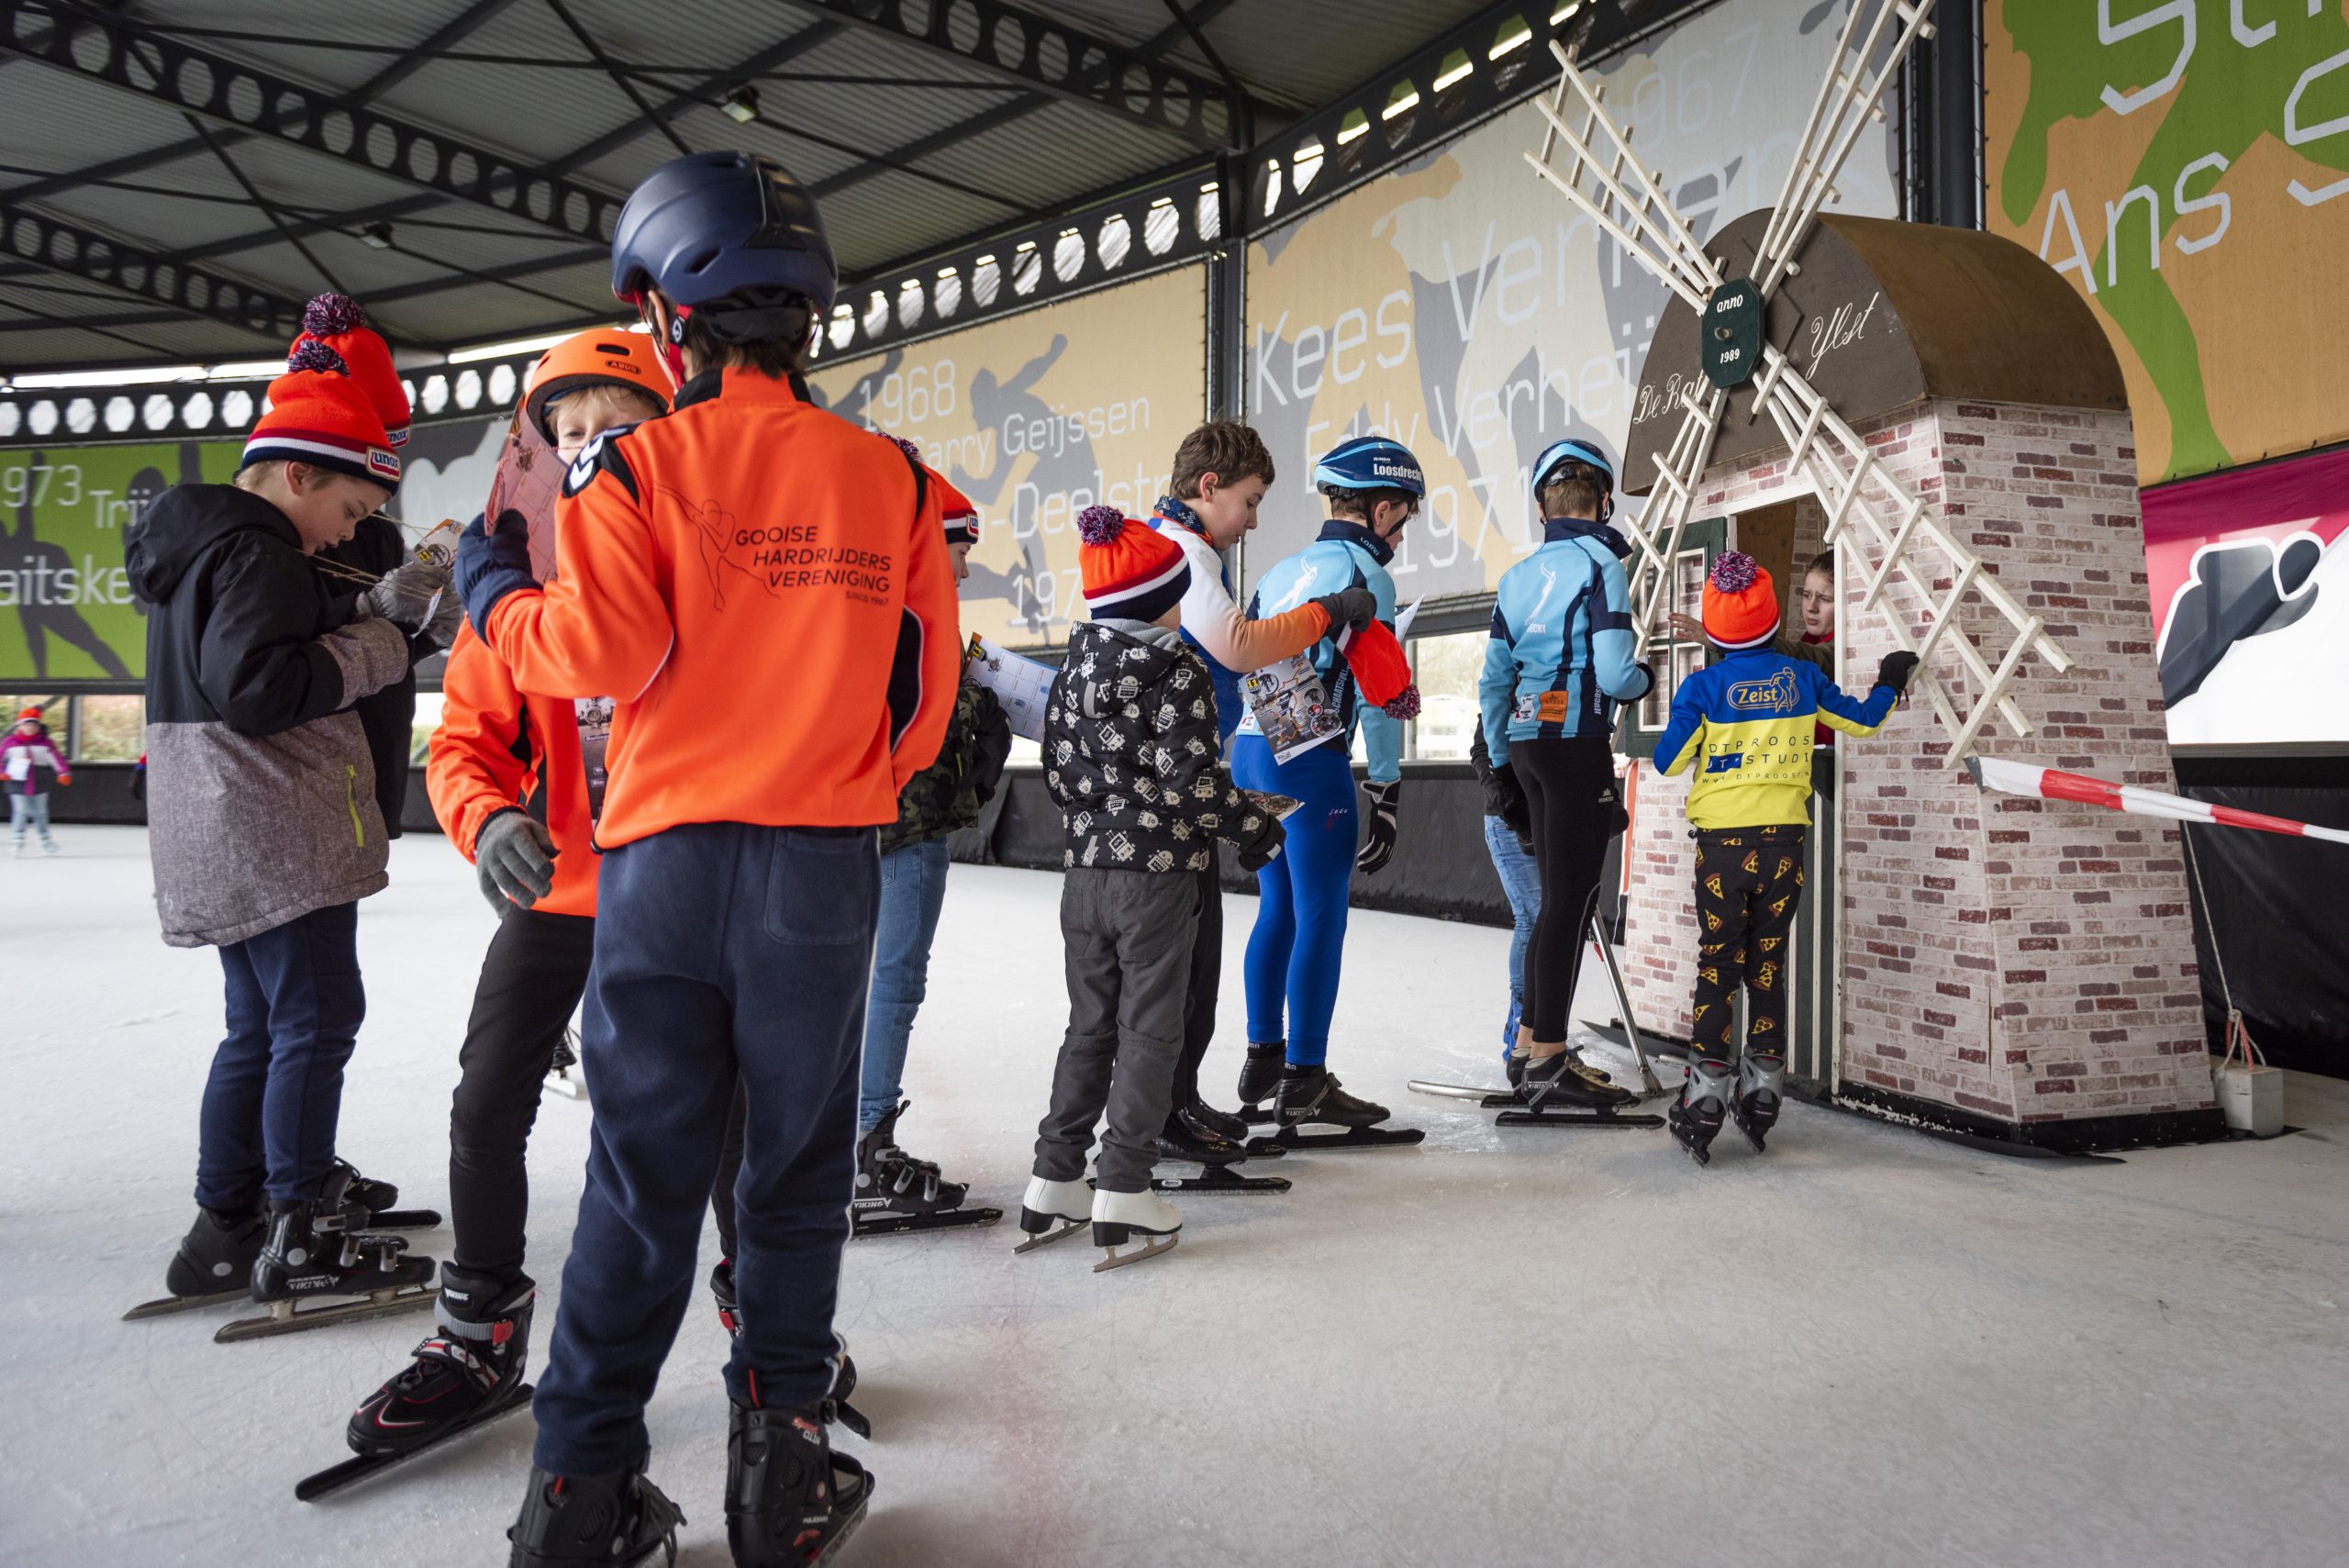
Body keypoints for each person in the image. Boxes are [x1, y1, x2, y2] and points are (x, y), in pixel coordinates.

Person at [454, 150, 960, 1568]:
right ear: (808, 317)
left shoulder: (637, 466)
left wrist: (494, 590)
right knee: (792, 1175)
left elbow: (594, 652)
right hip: (820, 867)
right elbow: (923, 710)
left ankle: (580, 1496)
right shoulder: (897, 483)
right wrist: (844, 766)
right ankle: (782, 1475)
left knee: (639, 1177)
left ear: (672, 320)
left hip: (664, 868)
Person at [340, 328, 671, 1472]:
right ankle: (478, 1330)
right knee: (487, 1103)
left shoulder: (703, 575)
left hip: (679, 895)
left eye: (616, 425)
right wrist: (493, 823)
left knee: (708, 1125)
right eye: (569, 431)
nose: (590, 448)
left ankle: (769, 1332)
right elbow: (465, 746)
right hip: (562, 894)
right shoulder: (509, 589)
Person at [127, 354, 456, 1318]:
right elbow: (261, 688)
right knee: (316, 1018)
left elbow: (269, 637)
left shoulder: (209, 545)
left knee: (260, 1025)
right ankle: (299, 1225)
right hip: (275, 827)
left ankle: (227, 1223)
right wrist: (393, 644)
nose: (350, 536)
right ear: (299, 475)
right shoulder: (262, 547)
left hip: (219, 828)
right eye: (350, 513)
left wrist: (376, 604)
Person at [705, 458, 1011, 1267]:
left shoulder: (864, 606)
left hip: (864, 830)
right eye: (959, 547)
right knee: (891, 982)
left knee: (856, 984)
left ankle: (846, 1138)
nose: (965, 566)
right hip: (899, 832)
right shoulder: (904, 617)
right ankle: (864, 1141)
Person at [1017, 506, 1286, 1269]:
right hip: (1156, 878)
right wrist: (1255, 830)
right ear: (1159, 600)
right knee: (1150, 1030)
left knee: (1089, 1026)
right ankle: (1125, 1185)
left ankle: (1054, 1176)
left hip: (1083, 880)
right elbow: (1191, 785)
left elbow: (1058, 775)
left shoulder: (1072, 672)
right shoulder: (1177, 670)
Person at [1144, 421, 1375, 1151]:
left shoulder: (1174, 547)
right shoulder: (1186, 554)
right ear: (1207, 487)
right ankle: (1189, 1107)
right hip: (1202, 774)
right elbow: (1241, 648)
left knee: (1202, 949)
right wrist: (1327, 615)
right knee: (1196, 954)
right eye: (1249, 501)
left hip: (1226, 757)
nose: (1252, 520)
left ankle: (1189, 1096)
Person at [1652, 550, 1918, 1164]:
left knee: (1718, 965)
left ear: (1715, 629)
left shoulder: (1704, 687)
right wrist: (1891, 675)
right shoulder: (1801, 680)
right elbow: (1864, 720)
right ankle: (1764, 1093)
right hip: (1784, 850)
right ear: (1774, 619)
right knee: (1766, 963)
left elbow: (1666, 759)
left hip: (1723, 853)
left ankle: (1705, 1098)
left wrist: (1692, 718)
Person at [1228, 435, 1419, 1141]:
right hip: (1307, 748)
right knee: (1322, 913)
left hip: (1251, 744)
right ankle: (1306, 1077)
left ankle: (1263, 1058)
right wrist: (1388, 788)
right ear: (1382, 507)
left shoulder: (1283, 567)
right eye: (1405, 515)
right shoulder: (1366, 570)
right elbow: (1381, 692)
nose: (1404, 531)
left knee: (1276, 906)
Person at [1478, 439, 1653, 1111]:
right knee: (1570, 905)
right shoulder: (1602, 560)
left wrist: (1500, 761)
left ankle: (1527, 1046)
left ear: (1543, 506)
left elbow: (1494, 683)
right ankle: (1550, 1055)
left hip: (1525, 746)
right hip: (1577, 742)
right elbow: (1614, 671)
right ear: (1603, 500)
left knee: (1554, 904)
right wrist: (1647, 678)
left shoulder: (1518, 577)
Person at [1468, 722, 1540, 1062]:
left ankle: (1542, 1033)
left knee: (1551, 921)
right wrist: (1505, 798)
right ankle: (1521, 1031)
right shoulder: (1506, 685)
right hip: (1508, 822)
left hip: (1548, 817)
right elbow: (1481, 751)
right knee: (1533, 917)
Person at [5, 706, 69, 856]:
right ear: (19, 725)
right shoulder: (10, 742)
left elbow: (56, 758)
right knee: (20, 811)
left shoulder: (45, 743)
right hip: (17, 781)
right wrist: (2, 772)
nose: (30, 727)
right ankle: (17, 839)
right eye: (27, 724)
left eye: (34, 724)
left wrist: (63, 772)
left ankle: (44, 839)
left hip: (39, 780)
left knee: (40, 812)